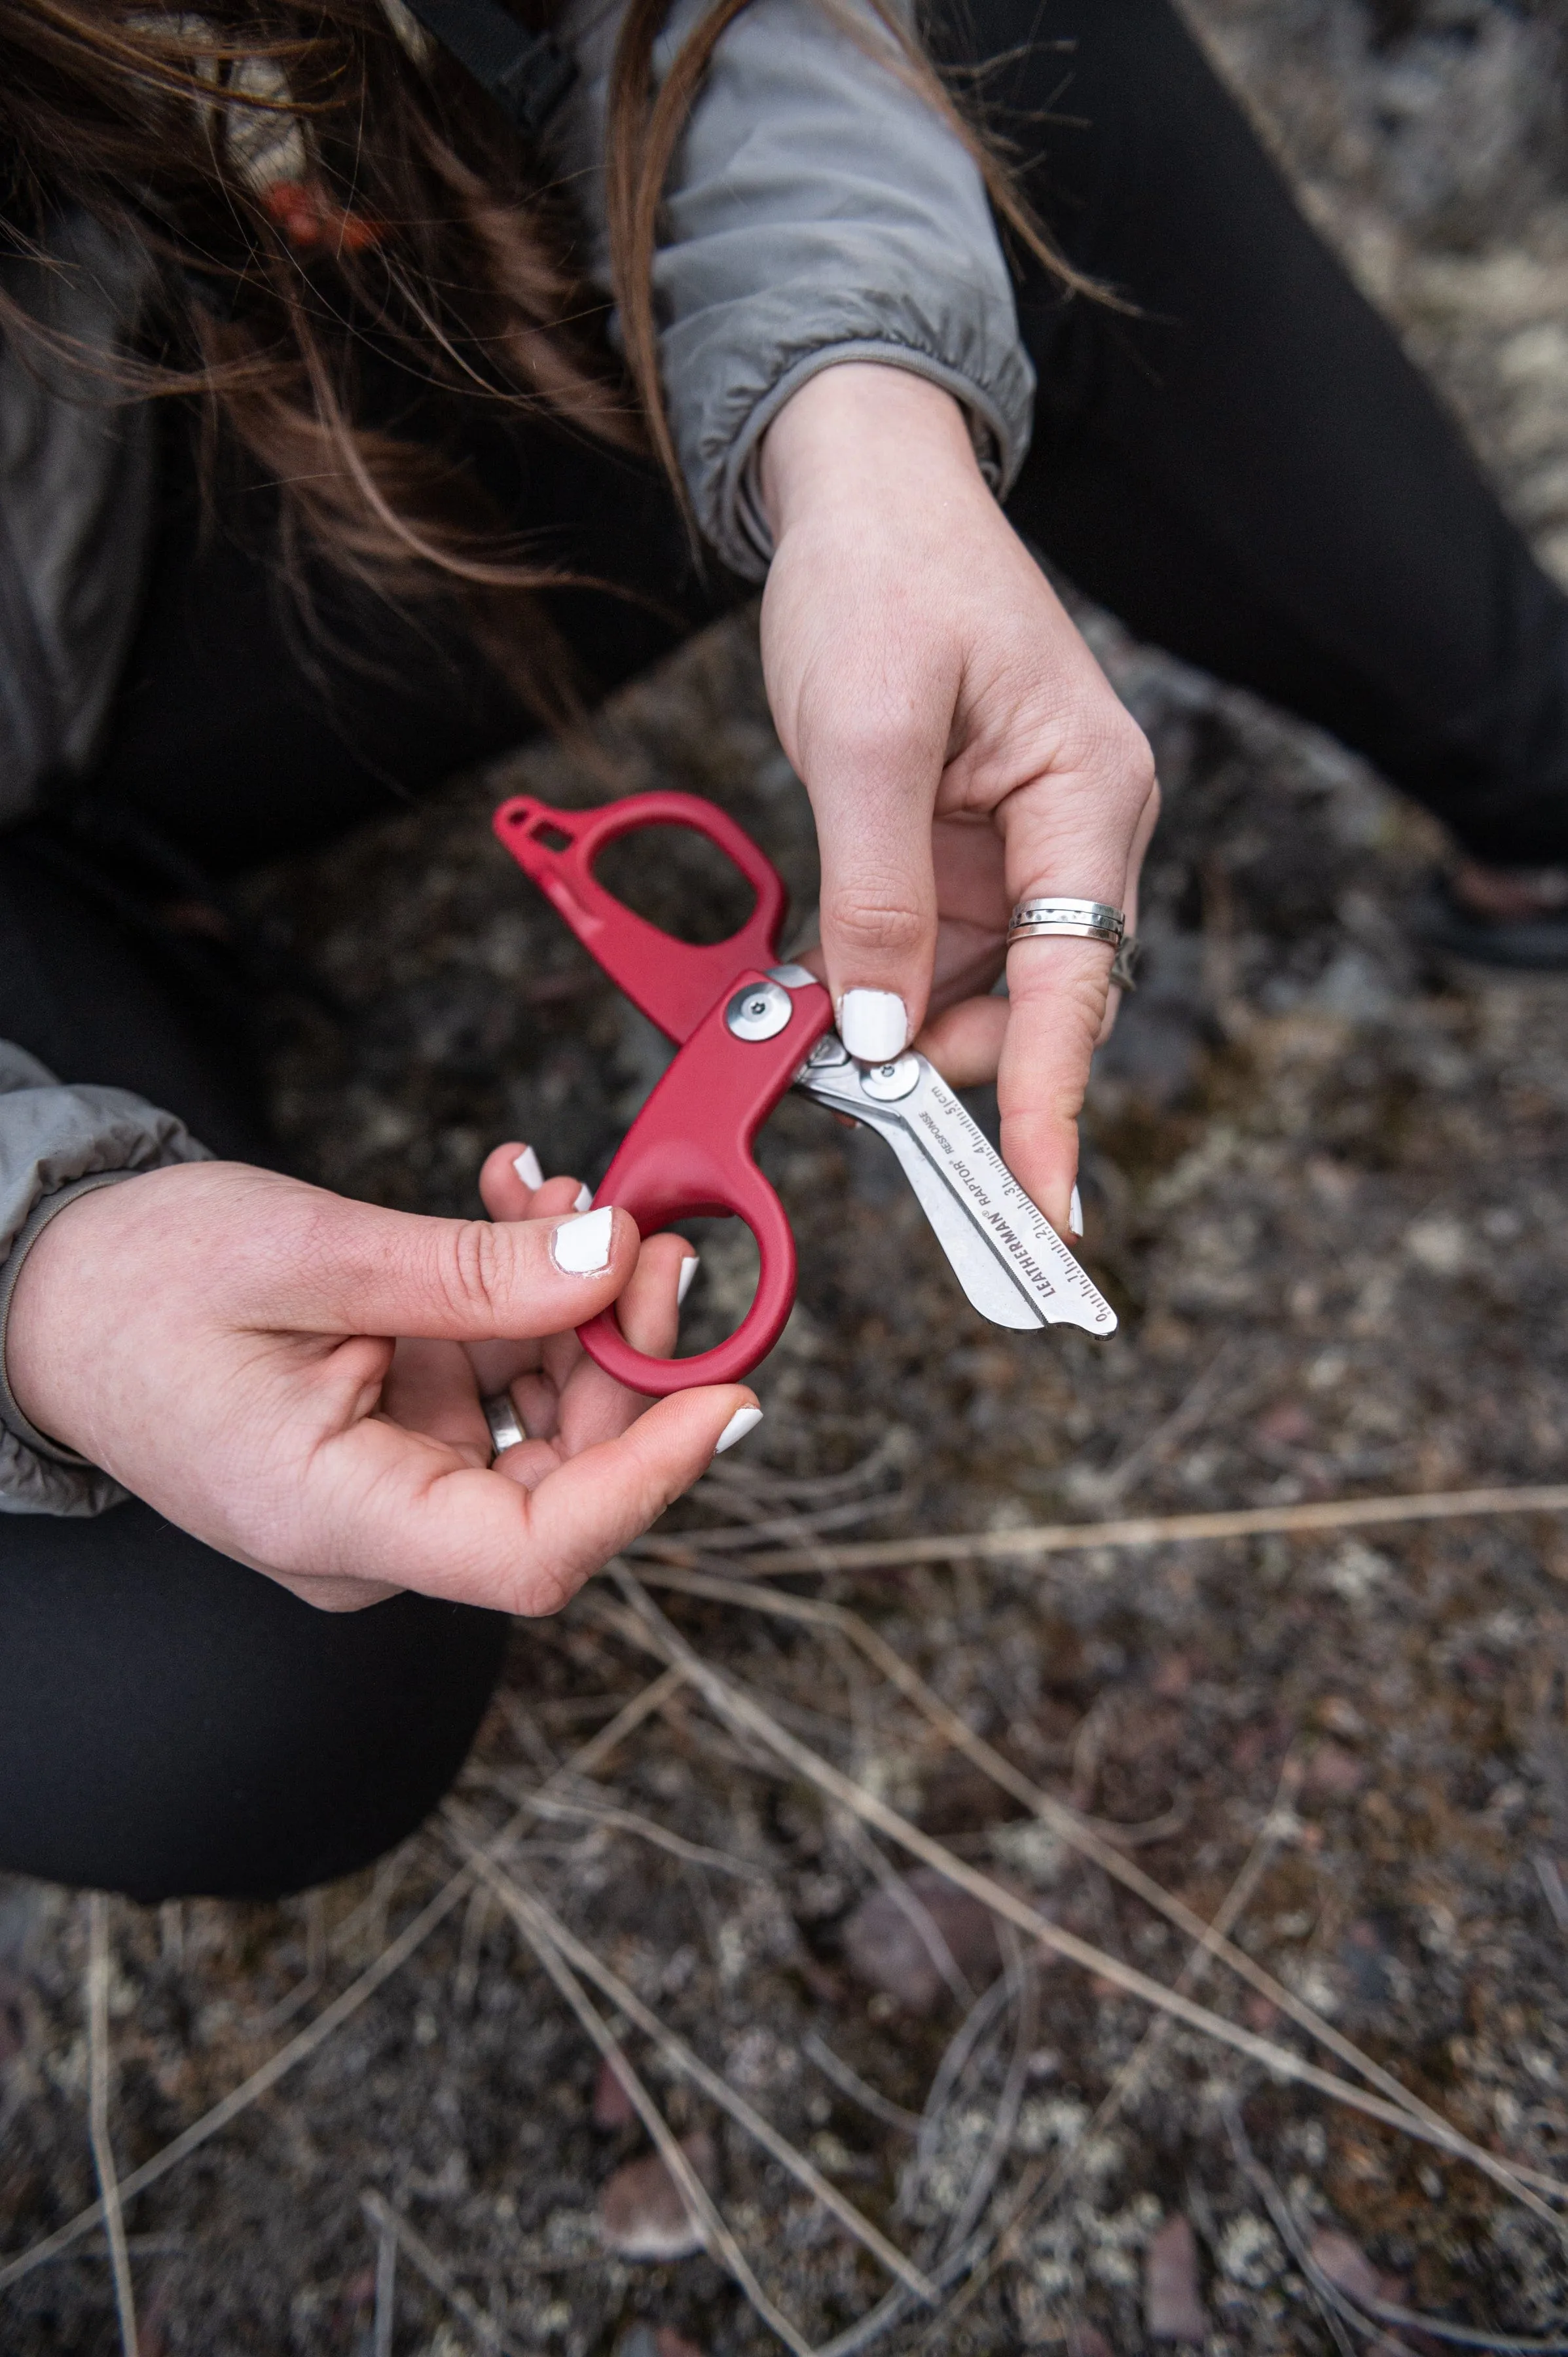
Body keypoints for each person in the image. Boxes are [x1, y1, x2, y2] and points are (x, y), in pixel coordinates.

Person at [2, 0, 1565, 1902]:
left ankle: (1541, 773)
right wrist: (36, 1266)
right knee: (236, 1690)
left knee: (996, 71)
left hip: (160, 506)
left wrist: (864, 420)